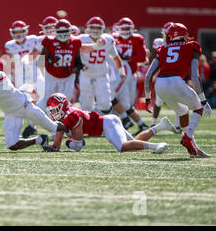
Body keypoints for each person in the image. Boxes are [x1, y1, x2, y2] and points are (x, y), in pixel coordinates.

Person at [144, 23, 212, 158]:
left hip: (160, 84)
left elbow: (148, 75)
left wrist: (147, 99)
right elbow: (194, 75)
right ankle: (188, 136)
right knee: (198, 107)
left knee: (183, 111)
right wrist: (203, 100)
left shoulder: (162, 49)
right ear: (184, 34)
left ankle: (194, 149)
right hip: (176, 81)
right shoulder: (192, 46)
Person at [43, 93, 171, 154]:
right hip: (108, 122)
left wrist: (69, 142)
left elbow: (78, 145)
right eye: (51, 110)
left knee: (122, 147)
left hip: (107, 124)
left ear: (63, 106)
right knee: (134, 143)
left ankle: (156, 145)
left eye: (55, 109)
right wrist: (54, 146)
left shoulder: (71, 115)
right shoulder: (65, 116)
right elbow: (56, 145)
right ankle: (160, 126)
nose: (53, 113)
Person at [4, 20, 44, 138]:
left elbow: (38, 50)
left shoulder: (33, 39)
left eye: (21, 31)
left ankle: (37, 125)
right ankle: (31, 125)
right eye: (16, 32)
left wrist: (26, 59)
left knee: (42, 100)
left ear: (25, 30)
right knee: (27, 102)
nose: (19, 34)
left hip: (36, 73)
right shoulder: (9, 45)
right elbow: (11, 62)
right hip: (21, 76)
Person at [78, 16, 125, 114]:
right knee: (86, 106)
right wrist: (79, 65)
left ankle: (103, 123)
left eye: (98, 28)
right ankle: (88, 126)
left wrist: (121, 71)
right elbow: (79, 51)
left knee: (105, 104)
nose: (95, 30)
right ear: (88, 28)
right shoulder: (82, 39)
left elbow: (115, 57)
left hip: (101, 76)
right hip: (86, 76)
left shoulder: (107, 40)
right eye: (93, 27)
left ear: (102, 29)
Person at [112, 17, 149, 135]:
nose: (125, 31)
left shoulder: (137, 39)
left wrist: (127, 58)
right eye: (123, 28)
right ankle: (139, 123)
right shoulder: (114, 38)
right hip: (115, 73)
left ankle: (124, 120)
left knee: (112, 96)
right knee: (122, 101)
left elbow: (143, 58)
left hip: (129, 74)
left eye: (128, 28)